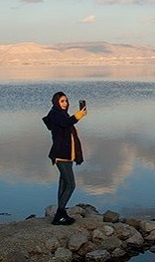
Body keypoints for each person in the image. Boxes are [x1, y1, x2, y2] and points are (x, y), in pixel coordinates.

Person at [42, 91, 87, 225]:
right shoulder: (55, 114)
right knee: (71, 185)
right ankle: (59, 214)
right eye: (62, 101)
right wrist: (79, 115)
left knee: (63, 183)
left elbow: (66, 123)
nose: (65, 103)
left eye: (66, 101)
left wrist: (77, 116)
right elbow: (66, 123)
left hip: (67, 156)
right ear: (56, 102)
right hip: (61, 156)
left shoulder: (62, 114)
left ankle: (61, 214)